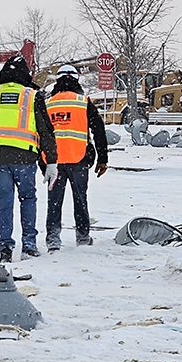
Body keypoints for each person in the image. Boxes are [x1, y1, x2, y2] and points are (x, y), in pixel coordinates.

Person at [0, 54, 57, 262]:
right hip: (24, 157)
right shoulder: (32, 95)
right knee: (27, 198)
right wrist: (51, 161)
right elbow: (46, 131)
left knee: (4, 202)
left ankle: (6, 247)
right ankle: (29, 245)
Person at [44, 64, 108, 250]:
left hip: (54, 162)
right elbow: (98, 130)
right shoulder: (83, 101)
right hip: (79, 159)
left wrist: (43, 161)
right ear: (76, 79)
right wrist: (102, 158)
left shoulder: (48, 103)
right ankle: (83, 237)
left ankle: (53, 240)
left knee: (54, 202)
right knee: (80, 199)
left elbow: (41, 134)